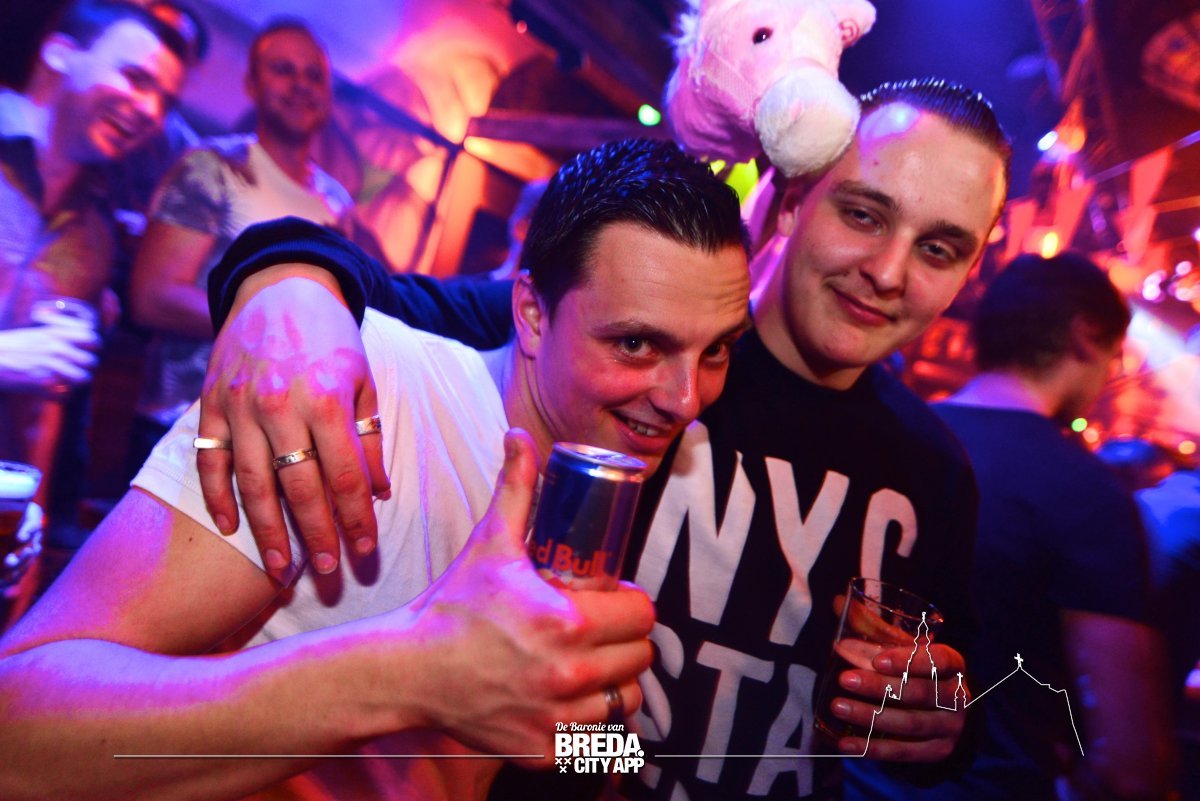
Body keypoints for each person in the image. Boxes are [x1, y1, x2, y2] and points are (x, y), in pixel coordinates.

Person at [196, 78, 1008, 800]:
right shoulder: (635, 346)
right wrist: (284, 286)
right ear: (793, 201)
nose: (889, 271)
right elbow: (365, 285)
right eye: (863, 214)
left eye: (939, 249)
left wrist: (941, 726)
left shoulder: (932, 470)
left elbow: (946, 703)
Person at [0, 137, 751, 800]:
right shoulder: (361, 393)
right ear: (530, 313)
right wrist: (405, 671)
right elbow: (19, 731)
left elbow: (535, 744)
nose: (685, 399)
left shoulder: (625, 479)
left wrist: (609, 746)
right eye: (636, 344)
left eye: (715, 350)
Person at [918, 253, 1174, 800]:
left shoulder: (900, 434)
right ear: (1086, 335)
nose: (1110, 374)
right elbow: (1127, 766)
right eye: (1114, 354)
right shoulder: (1084, 491)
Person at [126, 16, 354, 470]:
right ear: (252, 84)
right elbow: (153, 297)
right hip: (183, 426)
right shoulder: (211, 166)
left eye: (314, 76)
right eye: (283, 70)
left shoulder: (338, 204)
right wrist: (279, 326)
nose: (301, 85)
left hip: (277, 445)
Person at [0, 0, 191, 480]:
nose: (151, 111)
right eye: (135, 77)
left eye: (165, 101)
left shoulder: (95, 236)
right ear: (61, 53)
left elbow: (47, 401)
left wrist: (34, 504)